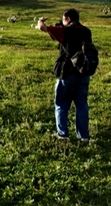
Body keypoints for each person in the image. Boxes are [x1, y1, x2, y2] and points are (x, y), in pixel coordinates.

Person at [37, 8, 93, 142]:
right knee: (81, 105)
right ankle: (84, 137)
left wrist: (40, 21)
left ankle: (63, 135)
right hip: (83, 72)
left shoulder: (65, 31)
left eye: (63, 19)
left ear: (67, 19)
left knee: (61, 103)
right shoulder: (86, 31)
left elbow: (43, 28)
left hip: (67, 73)